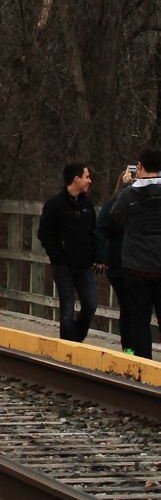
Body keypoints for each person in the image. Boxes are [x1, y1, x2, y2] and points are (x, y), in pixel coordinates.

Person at [37, 162, 97, 342]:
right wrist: (57, 256)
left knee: (91, 304)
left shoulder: (87, 205)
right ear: (76, 179)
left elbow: (94, 232)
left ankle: (77, 338)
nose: (89, 181)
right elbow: (44, 234)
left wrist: (96, 256)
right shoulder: (55, 205)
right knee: (67, 307)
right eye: (86, 177)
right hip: (64, 265)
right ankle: (67, 346)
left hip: (84, 264)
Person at [111, 148, 161, 359]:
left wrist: (127, 184)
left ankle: (144, 365)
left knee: (139, 320)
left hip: (136, 266)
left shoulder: (129, 195)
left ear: (139, 167)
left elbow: (113, 217)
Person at [95, 167, 136, 353]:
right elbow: (101, 227)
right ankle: (129, 347)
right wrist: (101, 255)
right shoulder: (113, 203)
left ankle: (138, 346)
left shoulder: (142, 202)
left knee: (137, 306)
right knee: (128, 305)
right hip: (119, 262)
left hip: (139, 261)